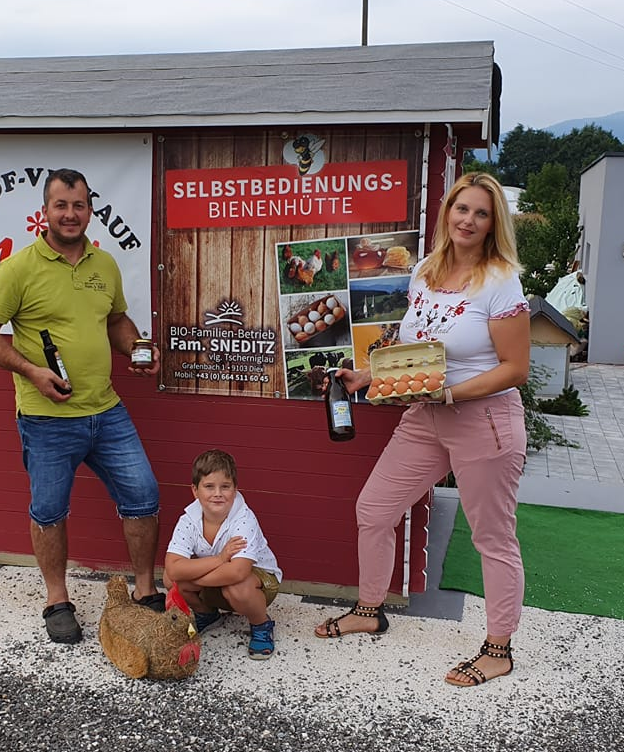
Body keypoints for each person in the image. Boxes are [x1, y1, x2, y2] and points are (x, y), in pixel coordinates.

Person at [313, 172, 530, 687]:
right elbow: (415, 352)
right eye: (461, 209)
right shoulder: (426, 271)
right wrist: (367, 377)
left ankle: (498, 647)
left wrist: (451, 394)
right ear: (447, 214)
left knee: (492, 537)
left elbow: (515, 367)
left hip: (485, 420)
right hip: (425, 417)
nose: (469, 221)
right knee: (375, 509)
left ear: (493, 221)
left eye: (481, 212)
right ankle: (370, 610)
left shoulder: (501, 280)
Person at [0, 167, 163, 645]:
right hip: (46, 417)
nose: (70, 214)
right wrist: (31, 371)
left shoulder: (105, 265)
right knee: (50, 511)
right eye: (61, 205)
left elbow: (116, 320)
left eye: (78, 206)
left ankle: (144, 590)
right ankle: (57, 601)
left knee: (144, 495)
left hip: (107, 410)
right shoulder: (20, 268)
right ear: (46, 211)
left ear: (89, 209)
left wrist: (138, 348)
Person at [164, 449, 282, 660]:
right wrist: (219, 559)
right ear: (195, 490)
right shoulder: (189, 519)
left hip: (258, 582)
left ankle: (261, 624)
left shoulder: (243, 518)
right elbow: (172, 568)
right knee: (170, 578)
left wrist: (192, 578)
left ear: (235, 490)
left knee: (236, 586)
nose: (217, 493)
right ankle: (207, 615)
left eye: (225, 487)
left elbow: (238, 571)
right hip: (217, 573)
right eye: (209, 486)